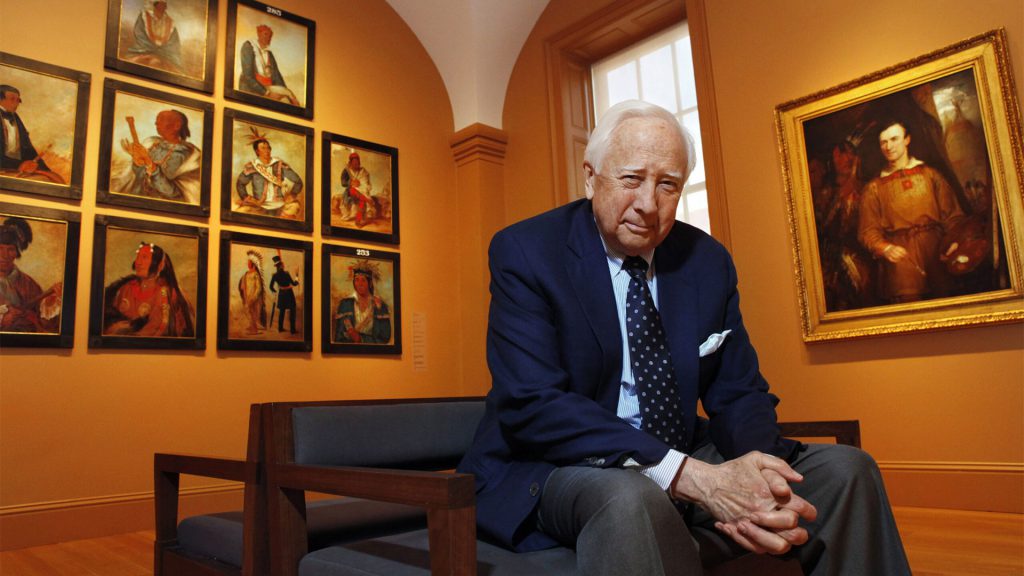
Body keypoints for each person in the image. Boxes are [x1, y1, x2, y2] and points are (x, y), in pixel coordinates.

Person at [456, 100, 910, 575]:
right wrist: (687, 476)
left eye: (668, 184)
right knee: (630, 496)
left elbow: (737, 390)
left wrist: (756, 473)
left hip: (679, 445)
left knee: (847, 472)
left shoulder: (706, 261)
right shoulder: (527, 252)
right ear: (591, 177)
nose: (648, 204)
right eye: (631, 179)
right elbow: (533, 404)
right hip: (555, 464)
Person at [858, 119, 966, 303]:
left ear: (907, 140)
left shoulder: (930, 175)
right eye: (883, 142)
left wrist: (954, 241)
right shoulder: (873, 188)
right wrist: (885, 248)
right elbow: (868, 231)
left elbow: (953, 216)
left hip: (937, 253)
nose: (888, 146)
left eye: (894, 139)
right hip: (902, 263)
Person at [817, 139, 876, 310]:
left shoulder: (866, 190)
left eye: (851, 153)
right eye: (841, 153)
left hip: (859, 263)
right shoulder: (825, 194)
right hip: (830, 266)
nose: (847, 158)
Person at [103, 242, 194, 337]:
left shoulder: (165, 293)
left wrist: (127, 333)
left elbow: (157, 329)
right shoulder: (125, 288)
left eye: (144, 257)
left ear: (160, 265)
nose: (138, 262)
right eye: (138, 257)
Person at [119, 109, 201, 203]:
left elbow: (172, 192)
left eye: (161, 119)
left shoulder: (185, 155)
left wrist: (150, 163)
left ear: (177, 125)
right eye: (157, 119)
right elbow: (140, 176)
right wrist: (138, 160)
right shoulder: (153, 144)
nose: (156, 123)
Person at [0, 217, 62, 333]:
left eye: (10, 249)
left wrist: (48, 304)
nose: (4, 255)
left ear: (16, 252)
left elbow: (44, 325)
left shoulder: (28, 284)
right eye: (0, 249)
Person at [0, 85, 64, 184]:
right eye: (12, 99)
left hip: (17, 169)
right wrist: (19, 164)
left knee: (50, 180)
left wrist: (45, 170)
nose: (16, 103)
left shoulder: (15, 117)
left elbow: (28, 149)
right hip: (4, 168)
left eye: (18, 100)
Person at [235, 131, 303, 219]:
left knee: (295, 207)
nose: (267, 151)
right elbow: (240, 183)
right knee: (241, 212)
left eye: (268, 148)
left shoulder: (280, 165)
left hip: (280, 205)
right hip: (259, 205)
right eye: (263, 148)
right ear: (257, 151)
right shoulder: (252, 166)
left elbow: (298, 181)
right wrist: (247, 197)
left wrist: (292, 194)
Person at [238, 24, 300, 106]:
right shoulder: (248, 46)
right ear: (259, 34)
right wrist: (267, 94)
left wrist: (290, 96)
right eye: (265, 34)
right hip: (252, 88)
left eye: (270, 35)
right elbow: (248, 76)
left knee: (289, 96)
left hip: (267, 87)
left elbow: (277, 76)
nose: (268, 38)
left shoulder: (269, 53)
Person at [333, 261, 391, 344]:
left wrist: (361, 339)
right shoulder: (345, 304)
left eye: (363, 280)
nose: (359, 284)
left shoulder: (380, 306)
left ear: (370, 283)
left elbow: (384, 338)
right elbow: (338, 338)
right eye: (356, 280)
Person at [124, 0, 183, 73]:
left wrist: (161, 50)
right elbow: (140, 34)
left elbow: (173, 43)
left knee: (167, 67)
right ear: (155, 5)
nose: (164, 8)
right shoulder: (144, 17)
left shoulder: (170, 23)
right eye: (161, 5)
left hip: (165, 53)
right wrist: (151, 47)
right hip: (144, 49)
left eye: (164, 5)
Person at [332, 151, 375, 227]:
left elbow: (366, 184)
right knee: (352, 190)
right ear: (350, 163)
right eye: (354, 163)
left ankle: (358, 221)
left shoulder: (363, 171)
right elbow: (343, 182)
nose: (356, 164)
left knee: (362, 200)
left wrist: (359, 184)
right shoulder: (346, 171)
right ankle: (367, 200)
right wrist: (351, 183)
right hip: (351, 192)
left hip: (362, 192)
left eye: (357, 162)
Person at [238, 250, 267, 335]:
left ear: (253, 264)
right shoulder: (246, 274)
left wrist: (254, 297)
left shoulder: (256, 275)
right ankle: (252, 326)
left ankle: (254, 329)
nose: (248, 264)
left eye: (249, 262)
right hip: (247, 296)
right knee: (247, 311)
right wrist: (244, 294)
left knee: (253, 312)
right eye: (247, 262)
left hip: (254, 298)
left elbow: (259, 287)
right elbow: (243, 285)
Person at [268, 255, 298, 334]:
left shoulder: (274, 275)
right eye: (283, 264)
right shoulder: (286, 273)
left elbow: (270, 287)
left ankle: (280, 328)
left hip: (281, 295)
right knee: (292, 310)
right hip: (289, 294)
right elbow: (294, 284)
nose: (284, 265)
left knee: (282, 311)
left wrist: (275, 291)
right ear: (281, 265)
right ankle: (292, 330)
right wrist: (297, 276)